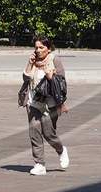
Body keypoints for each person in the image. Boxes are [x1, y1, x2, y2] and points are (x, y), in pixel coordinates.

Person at [20, 35, 69, 176]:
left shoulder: (54, 60)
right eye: (36, 47)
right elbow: (25, 78)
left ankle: (61, 150)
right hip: (34, 102)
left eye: (41, 47)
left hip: (50, 104)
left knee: (49, 133)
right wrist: (30, 64)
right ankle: (39, 164)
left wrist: (50, 77)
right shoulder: (33, 60)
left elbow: (62, 83)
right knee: (34, 131)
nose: (38, 50)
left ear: (48, 48)